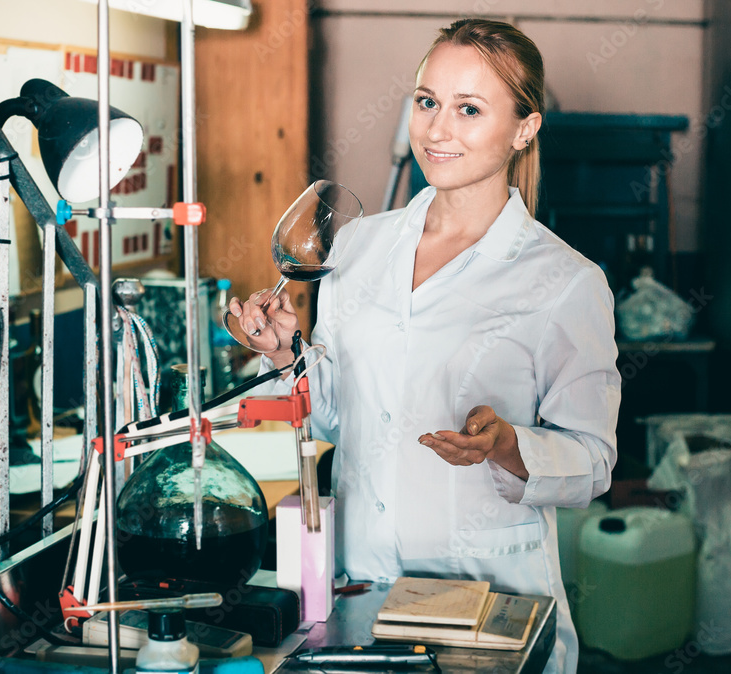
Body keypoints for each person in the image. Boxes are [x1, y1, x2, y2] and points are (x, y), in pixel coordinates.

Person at [228, 19, 620, 673]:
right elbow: (333, 414)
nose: (438, 129)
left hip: (488, 609)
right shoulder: (357, 246)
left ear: (524, 128)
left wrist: (508, 446)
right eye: (427, 101)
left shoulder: (565, 281)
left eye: (470, 108)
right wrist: (284, 354)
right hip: (360, 594)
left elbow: (595, 463)